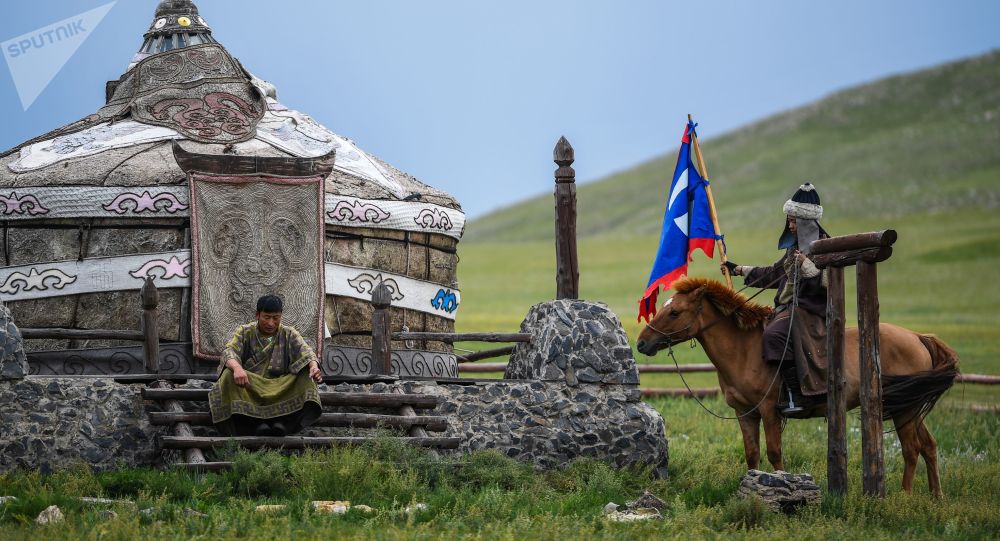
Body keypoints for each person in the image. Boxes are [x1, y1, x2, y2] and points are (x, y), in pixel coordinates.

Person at [722, 183, 829, 417]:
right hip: (787, 308)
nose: (790, 226)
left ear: (806, 222)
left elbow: (829, 282)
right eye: (789, 221)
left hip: (810, 313)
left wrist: (807, 266)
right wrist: (739, 270)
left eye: (794, 221)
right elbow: (774, 273)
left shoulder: (825, 247)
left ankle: (796, 395)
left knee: (773, 335)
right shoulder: (794, 250)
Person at [208, 295, 323, 436]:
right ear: (257, 315)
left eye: (276, 318)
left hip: (280, 386)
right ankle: (253, 422)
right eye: (266, 317)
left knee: (306, 375)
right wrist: (237, 368)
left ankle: (283, 422)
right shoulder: (245, 331)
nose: (271, 323)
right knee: (228, 374)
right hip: (251, 386)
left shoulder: (289, 333)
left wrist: (313, 367)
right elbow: (229, 352)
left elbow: (306, 352)